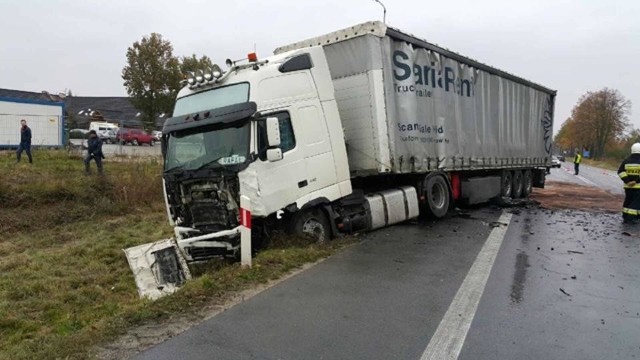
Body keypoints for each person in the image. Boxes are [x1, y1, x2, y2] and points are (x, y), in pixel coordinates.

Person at [618, 143, 640, 224]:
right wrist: (636, 181)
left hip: (628, 187)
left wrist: (627, 181)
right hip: (638, 187)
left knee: (628, 200)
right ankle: (630, 218)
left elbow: (620, 172)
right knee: (636, 202)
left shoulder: (626, 161)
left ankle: (625, 216)